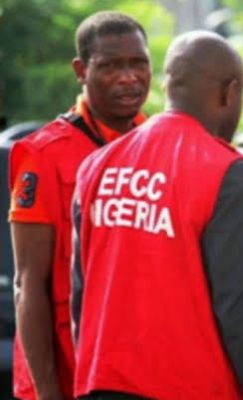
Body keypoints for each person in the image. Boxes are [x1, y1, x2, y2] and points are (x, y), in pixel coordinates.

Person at [70, 31, 243, 400]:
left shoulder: (97, 165)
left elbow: (81, 295)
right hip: (189, 386)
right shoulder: (225, 170)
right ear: (229, 92)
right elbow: (242, 313)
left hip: (101, 383)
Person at [9, 11, 150, 399]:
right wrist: (49, 392)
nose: (128, 77)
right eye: (111, 66)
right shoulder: (42, 154)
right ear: (80, 70)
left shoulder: (157, 146)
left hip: (137, 371)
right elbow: (28, 284)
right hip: (67, 373)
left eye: (138, 63)